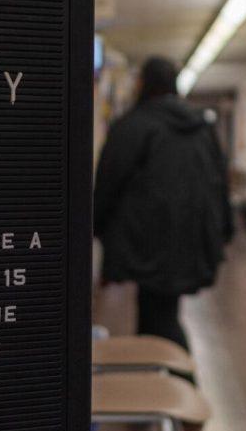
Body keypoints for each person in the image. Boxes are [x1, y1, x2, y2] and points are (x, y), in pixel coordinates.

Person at [94, 56, 233, 350]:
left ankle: (177, 380)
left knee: (158, 315)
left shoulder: (133, 125)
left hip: (146, 239)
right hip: (192, 234)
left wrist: (94, 226)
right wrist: (223, 231)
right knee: (161, 310)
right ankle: (166, 375)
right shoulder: (201, 127)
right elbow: (220, 181)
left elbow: (109, 181)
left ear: (144, 83)